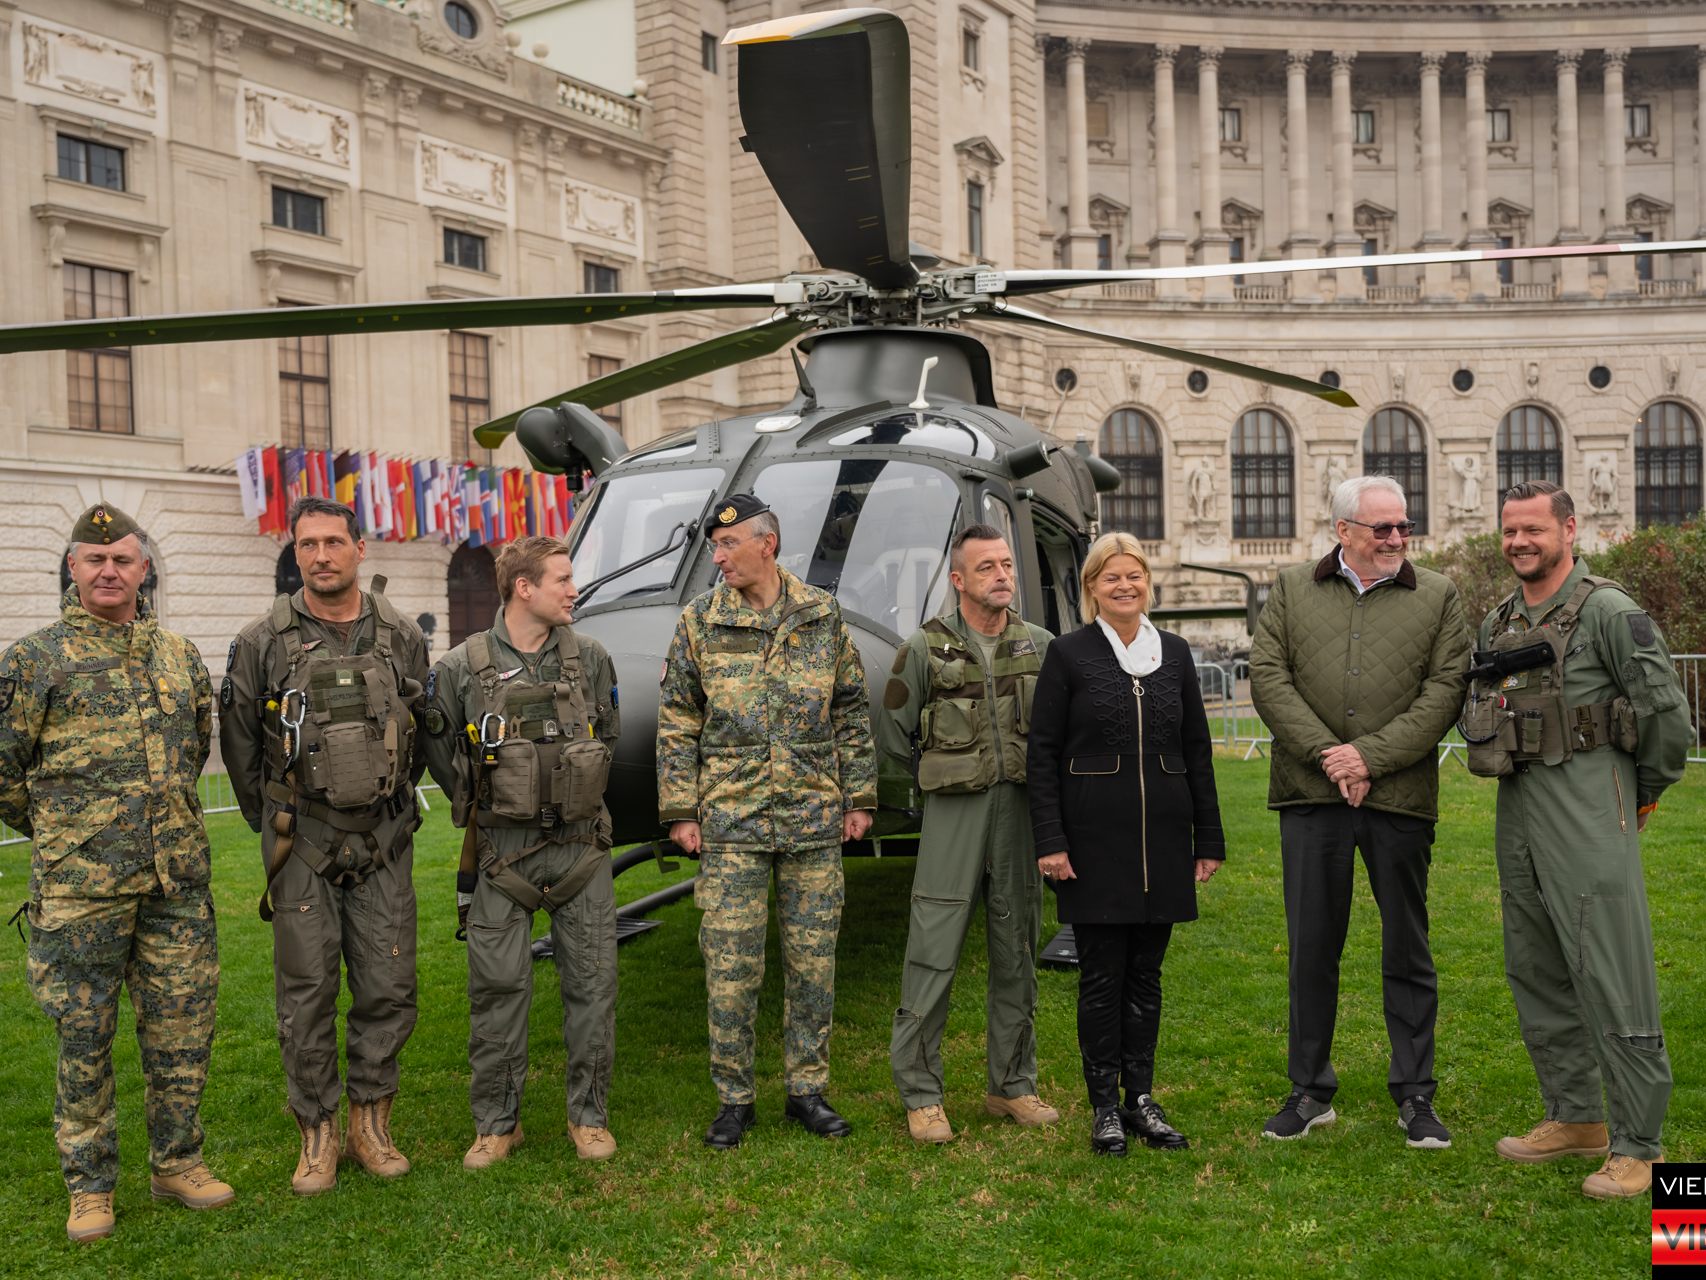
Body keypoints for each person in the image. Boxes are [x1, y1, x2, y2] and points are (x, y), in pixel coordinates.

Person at [0, 504, 232, 1242]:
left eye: (123, 559)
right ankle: (90, 1185)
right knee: (83, 1039)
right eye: (94, 559)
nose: (109, 571)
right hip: (80, 892)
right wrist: (69, 835)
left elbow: (196, 745)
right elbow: (5, 773)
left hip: (175, 885)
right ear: (72, 567)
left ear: (143, 568)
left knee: (182, 1033)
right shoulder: (32, 661)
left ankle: (178, 1162)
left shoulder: (178, 654)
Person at [1468, 481, 1690, 1199]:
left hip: (1593, 806)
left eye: (1533, 529)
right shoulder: (1499, 619)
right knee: (1534, 965)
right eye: (1509, 531)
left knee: (1612, 969)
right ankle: (1576, 1118)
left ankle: (1641, 1146)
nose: (1519, 542)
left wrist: (1645, 790)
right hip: (1521, 805)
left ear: (1569, 528)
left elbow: (1664, 712)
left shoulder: (1610, 611)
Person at [1249, 475, 1469, 1148]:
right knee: (1312, 946)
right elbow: (1268, 677)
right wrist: (1328, 755)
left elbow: (1445, 691)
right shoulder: (1291, 587)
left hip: (1399, 799)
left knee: (1407, 947)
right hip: (1311, 797)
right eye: (1383, 528)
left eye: (1404, 526)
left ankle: (1416, 1094)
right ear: (1343, 530)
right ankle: (1310, 1090)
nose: (1397, 538)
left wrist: (1368, 758)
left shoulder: (1437, 595)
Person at [657, 492, 876, 1149]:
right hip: (731, 820)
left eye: (728, 546)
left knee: (813, 965)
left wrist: (859, 798)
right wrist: (680, 810)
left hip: (812, 817)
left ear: (766, 545)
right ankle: (734, 1100)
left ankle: (807, 1091)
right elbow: (677, 720)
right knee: (730, 966)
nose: (718, 557)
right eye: (715, 547)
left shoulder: (821, 615)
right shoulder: (700, 622)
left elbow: (851, 708)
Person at [221, 496, 427, 1194]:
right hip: (300, 843)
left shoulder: (400, 634)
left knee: (388, 985)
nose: (321, 556)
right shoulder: (261, 641)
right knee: (305, 992)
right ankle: (317, 1134)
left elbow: (422, 727)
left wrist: (387, 805)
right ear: (296, 553)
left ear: (360, 549)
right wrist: (279, 824)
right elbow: (241, 747)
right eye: (307, 544)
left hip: (385, 840)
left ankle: (372, 1123)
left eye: (334, 542)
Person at [421, 535, 621, 1168]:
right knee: (497, 990)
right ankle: (497, 1123)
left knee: (592, 987)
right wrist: (487, 801)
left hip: (580, 851)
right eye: (562, 579)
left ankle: (587, 1116)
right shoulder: (459, 666)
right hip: (500, 858)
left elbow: (608, 734)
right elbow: (440, 750)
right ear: (524, 588)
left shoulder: (591, 658)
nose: (573, 588)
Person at [1027, 532, 1224, 1156]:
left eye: (1134, 576)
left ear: (1147, 584)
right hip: (1092, 843)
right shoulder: (1069, 654)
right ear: (1091, 588)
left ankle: (1140, 1098)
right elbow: (1043, 756)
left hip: (1163, 841)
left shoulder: (1175, 652)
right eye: (1111, 577)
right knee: (1101, 980)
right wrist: (1051, 841)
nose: (1124, 586)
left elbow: (1196, 751)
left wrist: (1208, 837)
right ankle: (1104, 1107)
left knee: (1147, 977)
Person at [877, 524, 1058, 1144]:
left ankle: (1012, 1085)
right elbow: (895, 731)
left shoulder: (1042, 647)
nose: (1002, 576)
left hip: (1022, 812)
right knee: (933, 949)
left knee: (1017, 951)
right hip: (955, 812)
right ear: (958, 581)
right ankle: (922, 1095)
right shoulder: (924, 648)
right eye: (986, 568)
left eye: (1006, 565)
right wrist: (942, 781)